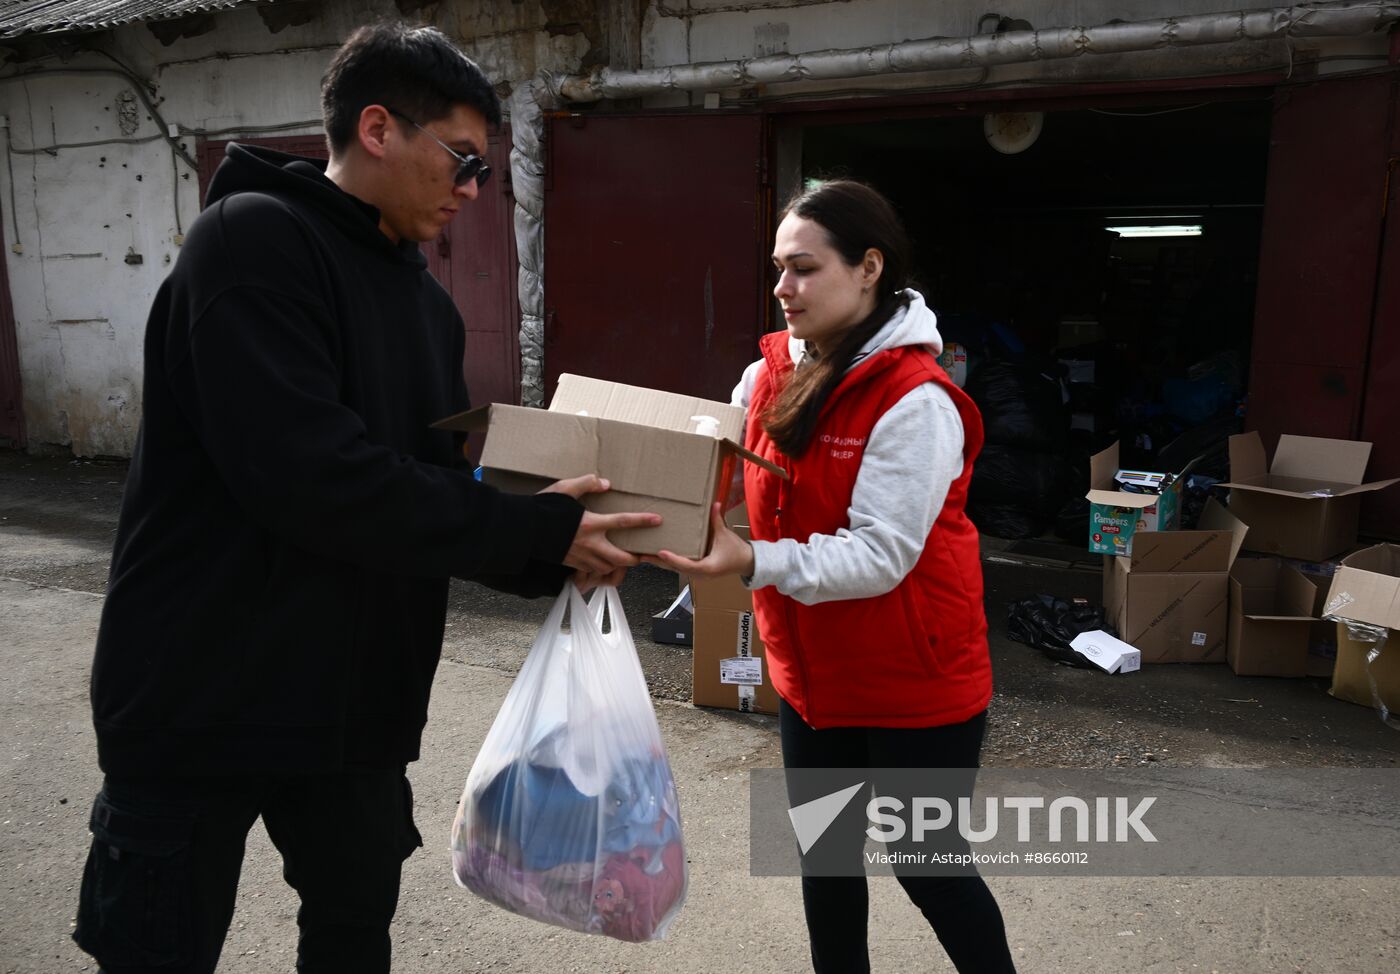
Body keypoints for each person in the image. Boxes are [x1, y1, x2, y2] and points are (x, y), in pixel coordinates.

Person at [73, 23, 656, 974]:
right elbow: (314, 479)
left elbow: (429, 493)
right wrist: (534, 530)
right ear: (378, 128)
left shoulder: (427, 305)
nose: (474, 190)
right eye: (462, 160)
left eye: (484, 170)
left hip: (352, 705)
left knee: (352, 934)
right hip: (203, 692)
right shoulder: (252, 242)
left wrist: (558, 544)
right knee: (157, 948)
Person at [650, 180, 1016, 973]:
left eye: (805, 269)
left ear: (869, 268)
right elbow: (711, 467)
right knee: (827, 859)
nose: (783, 287)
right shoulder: (767, 374)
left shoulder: (915, 401)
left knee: (929, 868)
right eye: (778, 268)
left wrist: (753, 560)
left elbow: (880, 555)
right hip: (812, 675)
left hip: (914, 681)